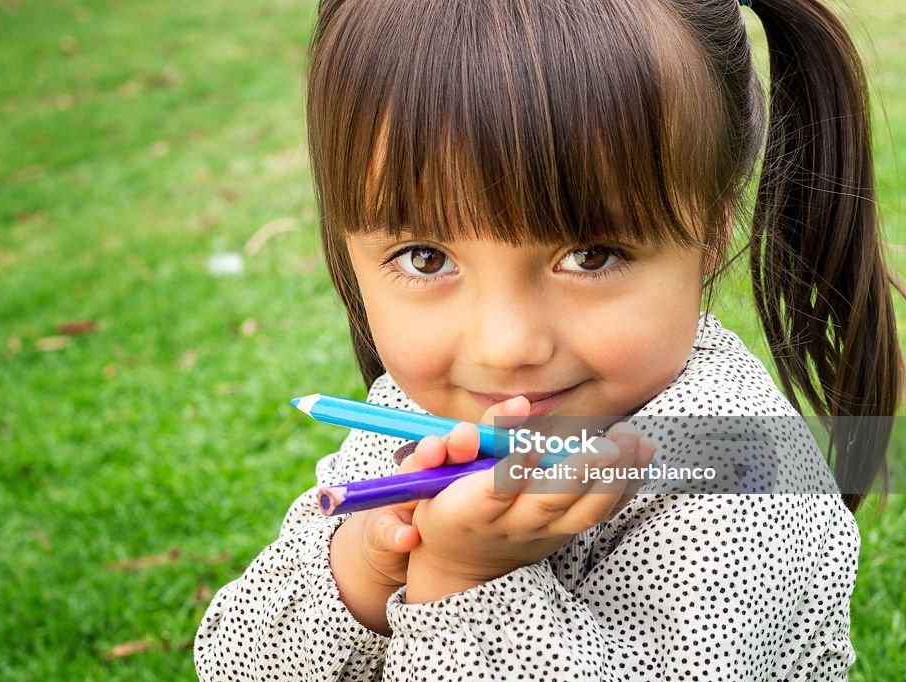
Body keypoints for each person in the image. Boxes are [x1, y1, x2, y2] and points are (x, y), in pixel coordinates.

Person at [195, 0, 903, 679]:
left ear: (714, 224)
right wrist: (363, 569)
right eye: (425, 257)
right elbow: (230, 666)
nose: (506, 347)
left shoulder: (739, 478)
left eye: (591, 255)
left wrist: (463, 582)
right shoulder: (410, 419)